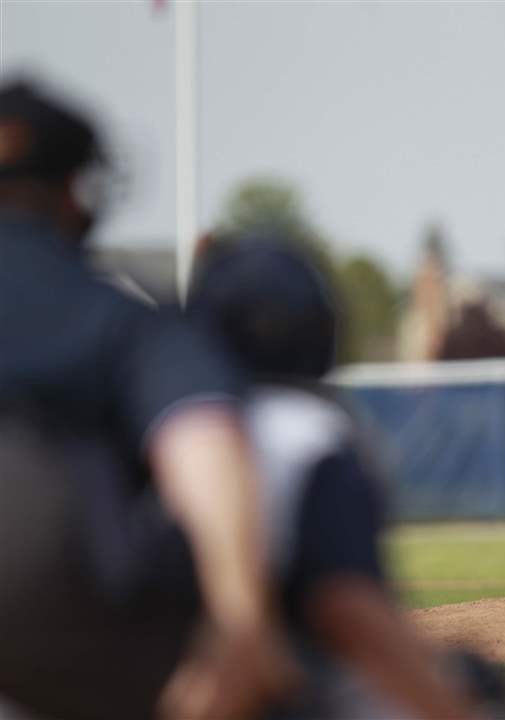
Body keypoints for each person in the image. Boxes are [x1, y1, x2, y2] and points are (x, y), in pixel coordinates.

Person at [0, 78, 294, 718]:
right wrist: (241, 620)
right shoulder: (112, 315)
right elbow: (202, 436)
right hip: (61, 611)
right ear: (77, 190)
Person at [187, 234, 503, 719]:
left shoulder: (162, 431)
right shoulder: (307, 435)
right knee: (478, 684)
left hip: (143, 683)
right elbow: (349, 611)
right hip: (262, 687)